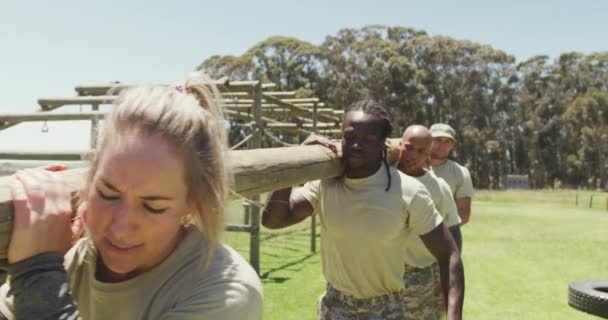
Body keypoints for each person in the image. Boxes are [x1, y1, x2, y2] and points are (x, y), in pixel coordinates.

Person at [0, 78, 263, 320]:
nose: (120, 229)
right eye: (107, 194)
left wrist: (36, 274)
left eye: (153, 206)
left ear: (193, 200)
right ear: (91, 178)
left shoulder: (227, 293)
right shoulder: (72, 257)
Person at [262, 100, 464, 320]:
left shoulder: (409, 191)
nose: (357, 145)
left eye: (368, 139)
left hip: (385, 311)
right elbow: (274, 220)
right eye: (350, 137)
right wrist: (296, 160)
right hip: (334, 307)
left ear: (382, 143)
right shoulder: (325, 185)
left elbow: (449, 254)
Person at [397, 125, 463, 320]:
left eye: (421, 151)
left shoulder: (438, 187)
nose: (413, 155)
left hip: (419, 275)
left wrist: (447, 286)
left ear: (428, 155)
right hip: (382, 273)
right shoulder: (383, 178)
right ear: (399, 145)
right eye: (409, 147)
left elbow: (454, 234)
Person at [429, 124, 474, 226]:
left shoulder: (461, 172)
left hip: (445, 234)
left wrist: (438, 233)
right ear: (428, 141)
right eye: (438, 139)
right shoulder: (412, 165)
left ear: (452, 145)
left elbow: (463, 214)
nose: (442, 145)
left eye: (447, 141)